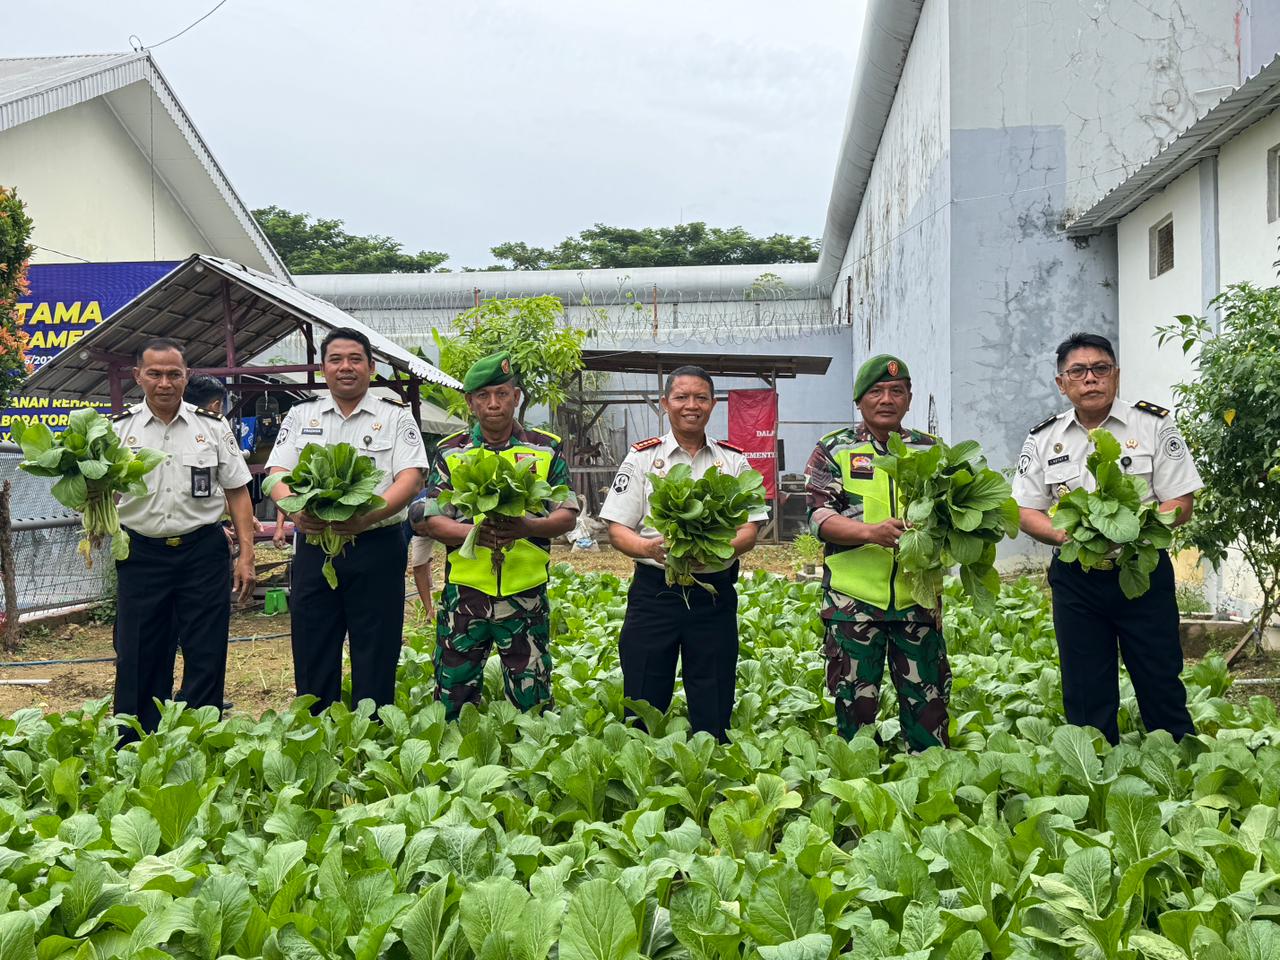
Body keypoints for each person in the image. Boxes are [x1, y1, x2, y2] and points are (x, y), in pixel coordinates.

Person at [1014, 332, 1201, 744]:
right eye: (1078, 372)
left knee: (1160, 678)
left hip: (1141, 573)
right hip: (1076, 577)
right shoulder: (1044, 438)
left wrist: (1135, 531)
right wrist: (1063, 533)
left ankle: (1175, 764)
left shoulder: (1152, 424)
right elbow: (1026, 511)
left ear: (1115, 375)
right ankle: (1094, 773)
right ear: (1062, 383)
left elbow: (1180, 503)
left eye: (1100, 369)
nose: (1090, 379)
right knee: (1084, 688)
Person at [600, 365, 767, 742]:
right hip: (654, 592)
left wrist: (718, 550)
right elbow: (616, 529)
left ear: (713, 404)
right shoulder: (642, 458)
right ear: (665, 404)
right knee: (644, 691)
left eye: (701, 397)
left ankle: (712, 761)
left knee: (714, 690)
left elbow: (751, 529)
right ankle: (642, 765)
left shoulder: (732, 461)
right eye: (681, 397)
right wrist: (648, 548)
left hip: (714, 594)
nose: (691, 405)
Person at [266, 327, 428, 712]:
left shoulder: (394, 417)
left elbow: (411, 477)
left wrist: (366, 515)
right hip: (315, 546)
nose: (346, 367)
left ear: (372, 367)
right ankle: (315, 725)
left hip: (376, 546)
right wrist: (294, 511)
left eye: (355, 359)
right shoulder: (301, 413)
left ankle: (369, 729)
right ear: (323, 368)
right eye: (336, 359)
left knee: (377, 642)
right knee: (312, 640)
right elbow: (276, 471)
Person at [418, 351, 579, 720]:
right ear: (470, 402)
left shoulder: (544, 447)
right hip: (465, 598)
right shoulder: (450, 452)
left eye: (502, 394)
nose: (494, 403)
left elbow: (567, 513)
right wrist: (473, 533)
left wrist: (528, 527)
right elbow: (428, 516)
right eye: (484, 395)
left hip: (526, 600)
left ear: (516, 397)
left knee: (533, 701)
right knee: (452, 700)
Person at [109, 338, 256, 739]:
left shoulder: (211, 428)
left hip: (202, 551)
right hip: (141, 553)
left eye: (174, 374)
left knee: (206, 648)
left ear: (186, 376)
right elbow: (102, 492)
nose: (164, 382)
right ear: (138, 376)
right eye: (154, 373)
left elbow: (238, 492)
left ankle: (199, 735)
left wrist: (246, 555)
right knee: (138, 650)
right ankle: (134, 740)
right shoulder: (118, 432)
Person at [804, 354, 951, 752]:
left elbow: (954, 515)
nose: (887, 399)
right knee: (854, 708)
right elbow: (818, 518)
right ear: (860, 400)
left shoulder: (931, 450)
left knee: (929, 708)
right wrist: (871, 532)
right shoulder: (834, 449)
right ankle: (857, 788)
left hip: (917, 602)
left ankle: (929, 783)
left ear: (908, 398)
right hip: (853, 605)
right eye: (877, 391)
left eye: (896, 391)